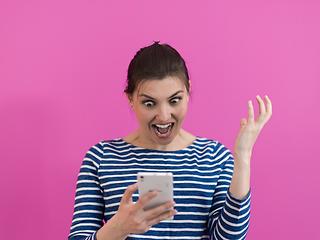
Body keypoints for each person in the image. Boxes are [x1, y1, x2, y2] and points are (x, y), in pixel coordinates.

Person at [68, 42, 272, 240]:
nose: (164, 116)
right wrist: (118, 228)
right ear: (131, 99)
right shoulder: (101, 158)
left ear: (188, 90)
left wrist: (243, 158)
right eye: (149, 103)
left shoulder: (215, 157)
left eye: (174, 100)